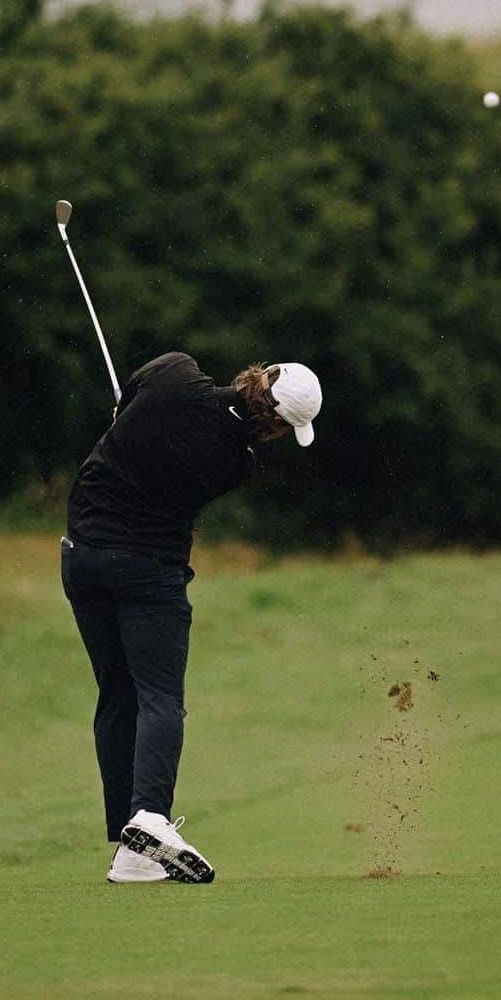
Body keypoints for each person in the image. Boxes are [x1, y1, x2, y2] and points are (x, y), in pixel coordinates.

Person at [61, 352, 322, 884]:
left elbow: (126, 407)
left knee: (117, 696)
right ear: (278, 427)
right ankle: (151, 817)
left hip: (82, 558)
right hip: (148, 573)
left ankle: (130, 848)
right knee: (160, 698)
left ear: (262, 373)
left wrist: (127, 416)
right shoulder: (237, 463)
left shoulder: (176, 372)